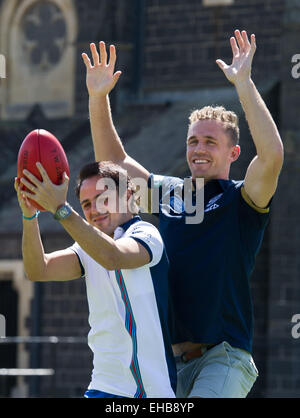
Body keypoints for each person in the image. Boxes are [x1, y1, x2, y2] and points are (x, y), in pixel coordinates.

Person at [81, 30, 284, 398]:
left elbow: (271, 157)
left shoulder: (241, 200)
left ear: (233, 153)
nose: (199, 149)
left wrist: (244, 84)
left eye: (210, 142)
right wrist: (98, 99)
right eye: (193, 141)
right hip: (168, 363)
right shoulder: (174, 195)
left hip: (223, 359)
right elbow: (116, 165)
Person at [14, 160, 176, 398]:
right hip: (102, 387)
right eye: (86, 204)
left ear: (129, 196)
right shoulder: (87, 247)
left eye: (103, 198)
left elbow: (112, 256)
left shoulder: (147, 234)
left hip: (149, 393)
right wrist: (30, 217)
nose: (94, 209)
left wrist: (61, 208)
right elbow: (39, 270)